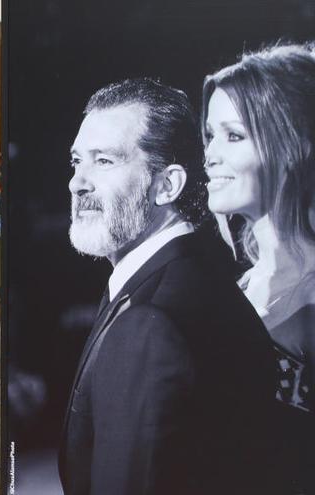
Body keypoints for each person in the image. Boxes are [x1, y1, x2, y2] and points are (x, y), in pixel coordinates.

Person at [59, 78, 276, 495]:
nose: (77, 183)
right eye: (76, 161)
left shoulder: (152, 320)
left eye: (103, 161)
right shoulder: (184, 281)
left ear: (167, 185)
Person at [203, 43, 315, 492]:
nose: (209, 154)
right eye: (210, 135)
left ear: (296, 143)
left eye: (234, 136)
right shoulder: (246, 279)